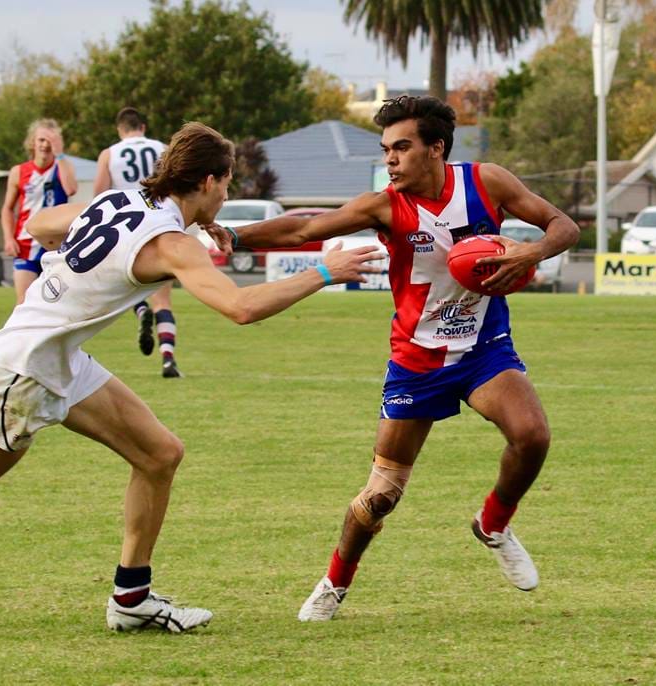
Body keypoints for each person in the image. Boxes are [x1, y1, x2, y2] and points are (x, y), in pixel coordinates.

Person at [0, 122, 382, 633]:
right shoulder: (172, 242)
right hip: (24, 370)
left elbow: (42, 224)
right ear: (207, 182)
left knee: (160, 453)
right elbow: (241, 308)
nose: (227, 195)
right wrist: (324, 273)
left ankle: (131, 599)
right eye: (227, 184)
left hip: (58, 359)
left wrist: (72, 265)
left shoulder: (120, 199)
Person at [207, 95, 579, 621]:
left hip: (483, 349)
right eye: (386, 149)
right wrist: (234, 235)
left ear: (436, 148)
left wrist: (530, 251)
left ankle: (493, 524)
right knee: (381, 495)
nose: (390, 159)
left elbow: (563, 225)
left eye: (401, 147)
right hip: (416, 360)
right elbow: (304, 229)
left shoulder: (487, 182)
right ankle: (335, 582)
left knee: (533, 435)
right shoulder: (384, 206)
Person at [93, 107, 180, 378]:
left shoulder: (109, 154)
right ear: (143, 127)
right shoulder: (163, 149)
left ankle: (140, 309)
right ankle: (168, 358)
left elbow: (99, 195)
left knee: (128, 282)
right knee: (163, 300)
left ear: (120, 130)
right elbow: (175, 187)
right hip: (158, 224)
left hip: (126, 227)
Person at [1, 118, 78, 305]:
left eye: (50, 141)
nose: (45, 145)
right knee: (24, 302)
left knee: (57, 303)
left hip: (55, 246)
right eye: (41, 140)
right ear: (32, 142)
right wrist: (9, 238)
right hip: (26, 245)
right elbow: (7, 209)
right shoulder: (19, 171)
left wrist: (60, 155)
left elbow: (71, 189)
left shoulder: (63, 167)